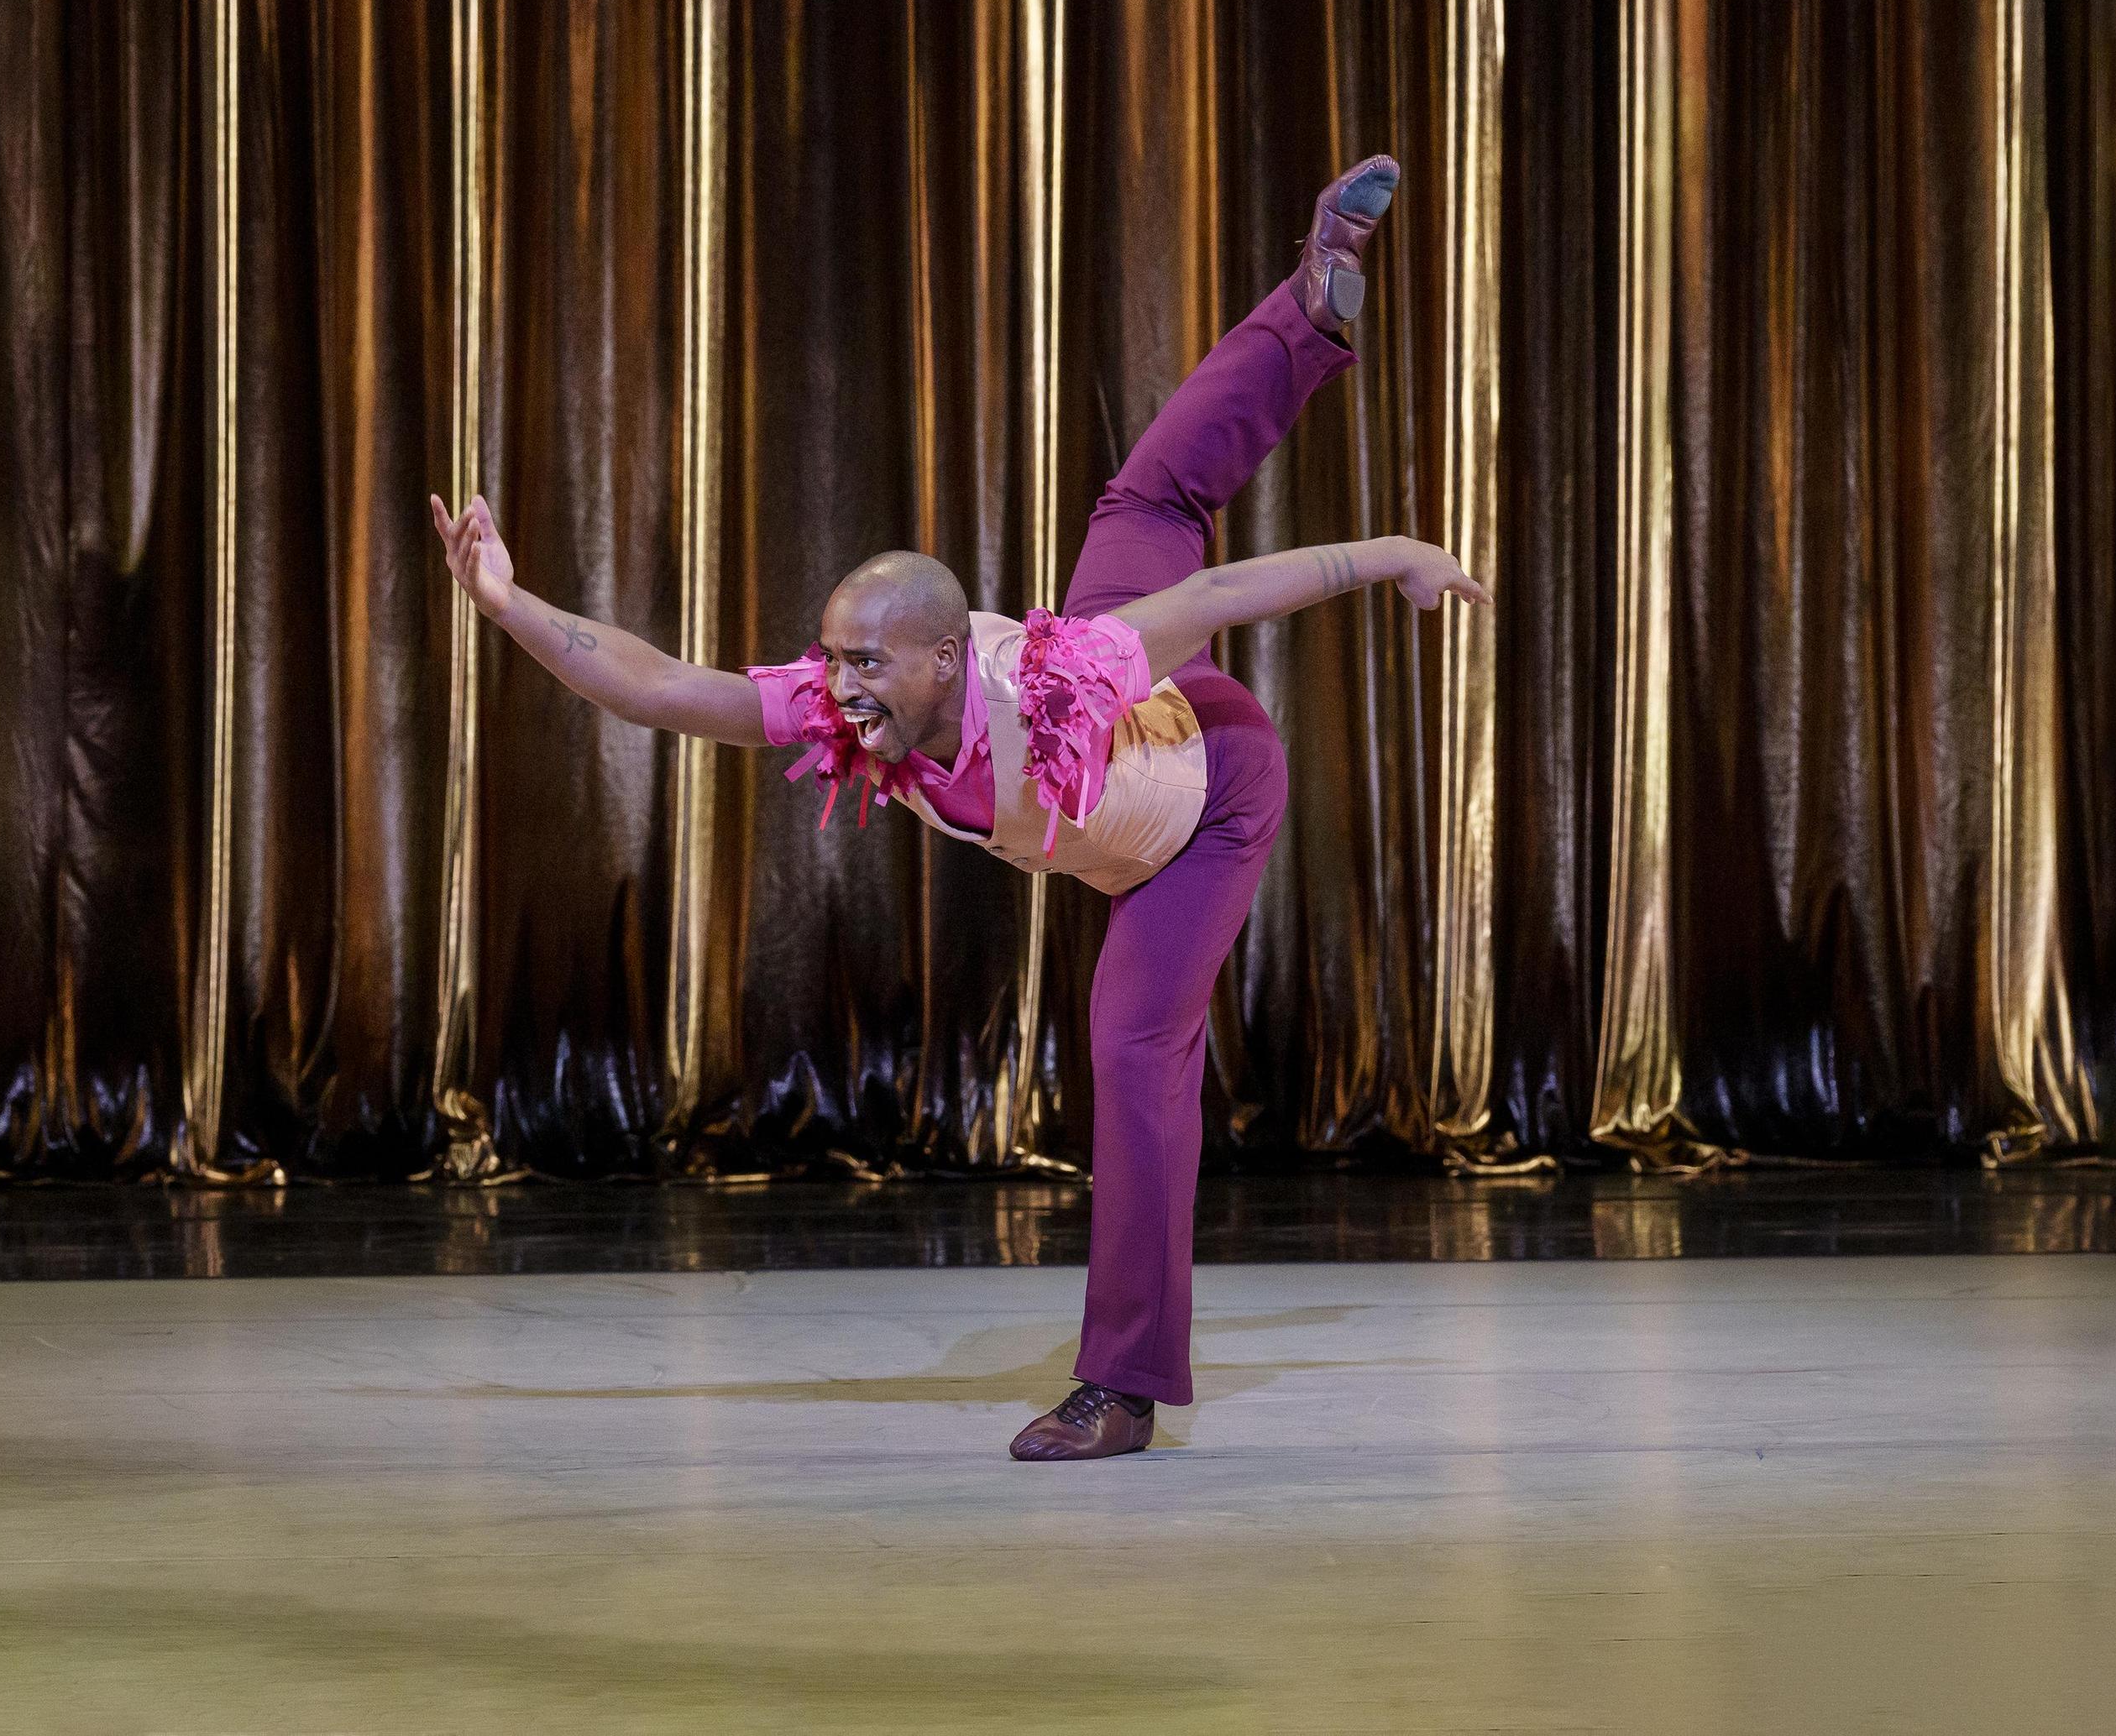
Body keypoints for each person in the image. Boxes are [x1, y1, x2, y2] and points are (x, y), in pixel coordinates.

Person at [428, 154, 1486, 1461]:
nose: (838, 684)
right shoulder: (850, 701)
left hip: (1210, 799)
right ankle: (1312, 312)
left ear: (944, 662)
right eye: (833, 657)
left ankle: (1125, 1391)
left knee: (1136, 1051)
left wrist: (1397, 557)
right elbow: (659, 688)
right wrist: (509, 604)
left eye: (865, 661)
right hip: (1127, 747)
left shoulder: (1064, 670)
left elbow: (1212, 604)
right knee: (1146, 501)